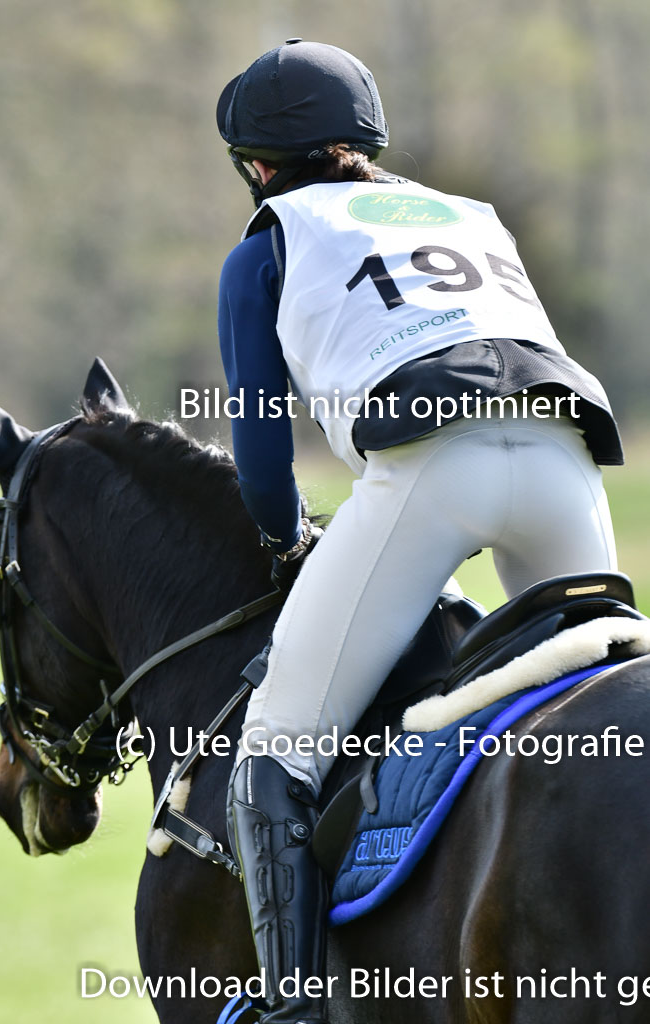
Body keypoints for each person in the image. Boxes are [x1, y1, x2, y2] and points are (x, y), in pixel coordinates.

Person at [216, 39, 622, 1023]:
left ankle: (294, 1008)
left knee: (273, 751)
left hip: (430, 466)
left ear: (255, 165)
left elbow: (261, 455)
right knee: (600, 705)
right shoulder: (469, 216)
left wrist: (282, 541)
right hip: (566, 457)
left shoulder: (267, 243)